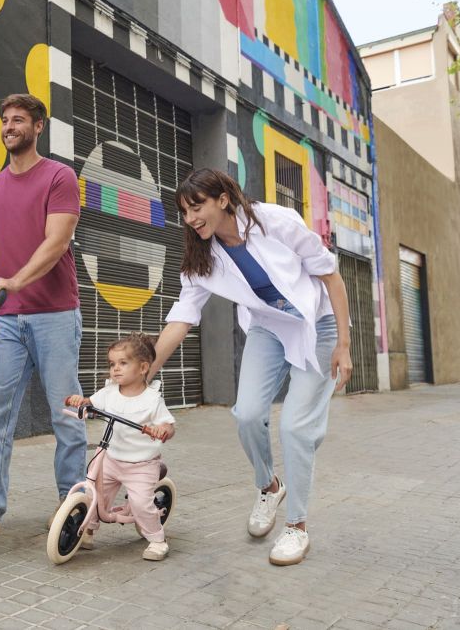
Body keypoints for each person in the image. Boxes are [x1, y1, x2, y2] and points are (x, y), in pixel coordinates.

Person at [147, 168, 352, 566]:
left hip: (319, 323)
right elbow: (181, 319)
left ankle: (296, 527)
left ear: (223, 200)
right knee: (247, 414)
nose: (190, 219)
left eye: (197, 207)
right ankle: (269, 487)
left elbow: (331, 276)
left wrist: (343, 344)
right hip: (269, 327)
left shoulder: (275, 221)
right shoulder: (202, 257)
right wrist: (144, 373)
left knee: (295, 426)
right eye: (185, 212)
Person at [0, 93, 86, 536]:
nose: (9, 126)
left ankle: (74, 507)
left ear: (38, 127)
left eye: (19, 120)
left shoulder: (59, 177)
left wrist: (15, 280)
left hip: (55, 314)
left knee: (66, 413)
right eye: (6, 120)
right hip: (9, 318)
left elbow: (56, 242)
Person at [64, 332, 176, 561]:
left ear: (143, 367)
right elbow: (89, 403)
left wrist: (162, 429)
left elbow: (168, 424)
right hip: (111, 458)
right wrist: (80, 401)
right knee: (95, 493)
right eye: (112, 364)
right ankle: (87, 529)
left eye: (123, 363)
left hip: (141, 464)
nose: (115, 369)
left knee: (141, 503)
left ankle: (157, 540)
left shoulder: (152, 399)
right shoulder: (109, 392)